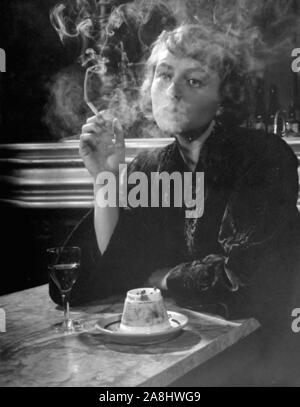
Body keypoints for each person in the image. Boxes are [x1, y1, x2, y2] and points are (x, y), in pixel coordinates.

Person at [50, 24, 300, 336]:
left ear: (224, 99)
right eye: (165, 75)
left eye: (194, 80)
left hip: (254, 346)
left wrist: (162, 278)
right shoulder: (149, 167)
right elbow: (113, 273)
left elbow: (246, 278)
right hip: (162, 346)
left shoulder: (262, 155)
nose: (173, 91)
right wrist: (105, 178)